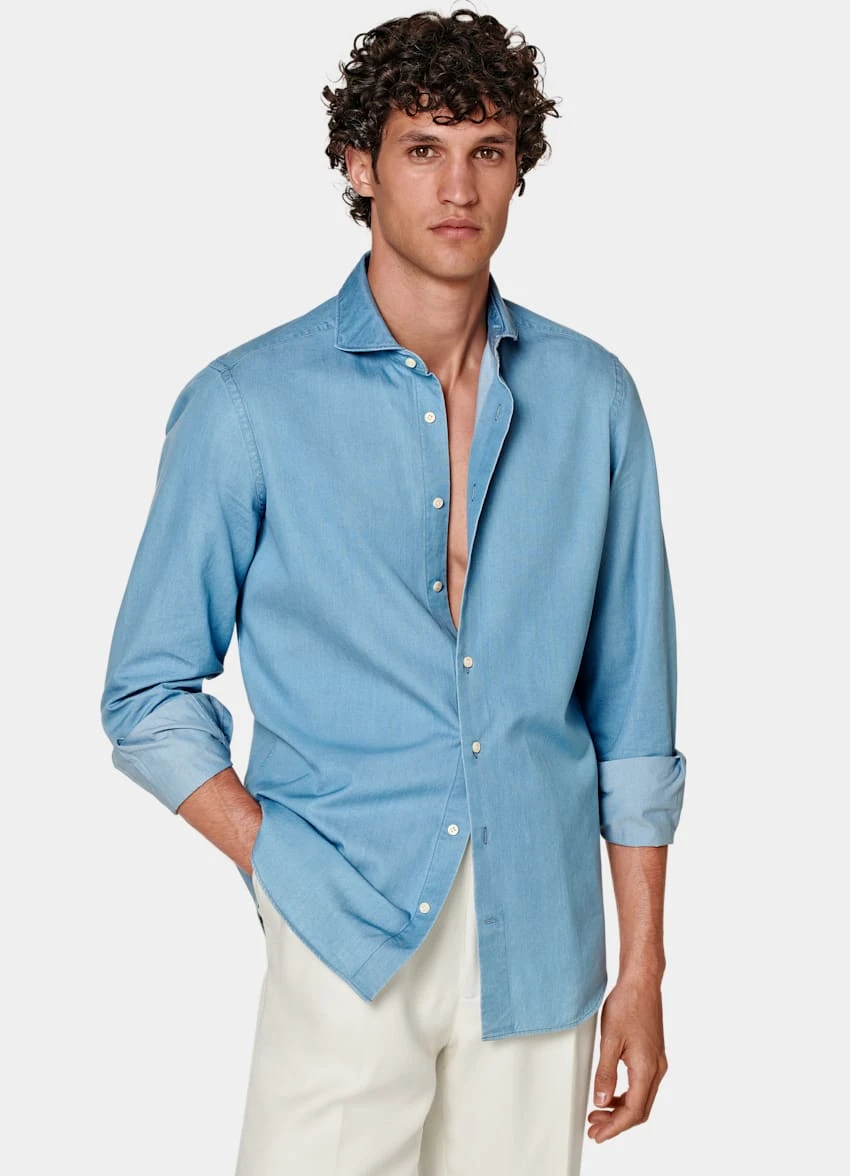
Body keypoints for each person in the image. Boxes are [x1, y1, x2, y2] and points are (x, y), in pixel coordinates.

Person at [100, 8, 686, 1174]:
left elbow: (635, 715)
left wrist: (643, 969)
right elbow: (147, 695)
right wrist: (276, 860)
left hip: (541, 937)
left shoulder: (594, 400)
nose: (458, 187)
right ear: (360, 166)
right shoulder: (247, 405)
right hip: (342, 932)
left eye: (487, 151)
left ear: (519, 167)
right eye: (423, 149)